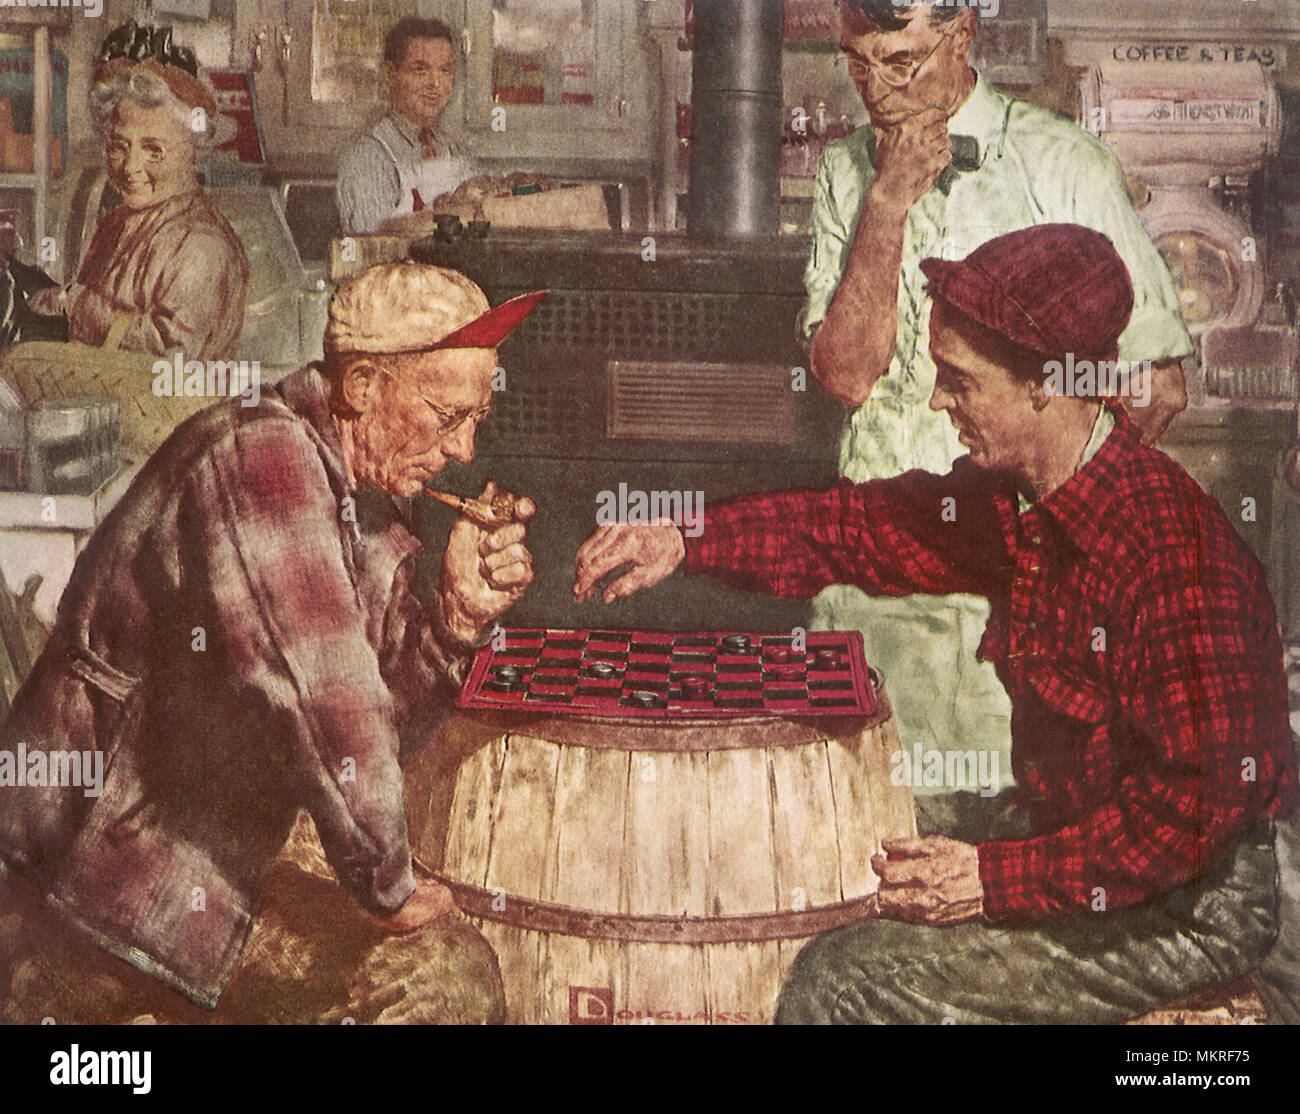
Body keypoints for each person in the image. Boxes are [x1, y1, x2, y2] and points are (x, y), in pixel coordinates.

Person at [573, 224, 1297, 1024]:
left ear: (1045, 387)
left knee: (847, 977)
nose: (937, 401)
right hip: (1069, 825)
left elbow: (1194, 810)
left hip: (1188, 907)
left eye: (960, 380)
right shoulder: (1016, 501)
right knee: (844, 831)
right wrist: (683, 537)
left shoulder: (1175, 558)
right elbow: (851, 529)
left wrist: (993, 880)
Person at [0, 261, 545, 1023]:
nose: (462, 450)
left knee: (447, 973)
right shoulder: (265, 458)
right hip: (93, 891)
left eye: (475, 422)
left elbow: (385, 730)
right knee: (444, 978)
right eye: (446, 415)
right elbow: (330, 705)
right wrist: (386, 886)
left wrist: (455, 618)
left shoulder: (366, 502)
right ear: (362, 388)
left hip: (202, 873)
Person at [801, 0, 1196, 797]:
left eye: (901, 61)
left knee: (1010, 849)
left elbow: (1155, 385)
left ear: (961, 33)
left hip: (1018, 593)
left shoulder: (1063, 163)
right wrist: (887, 203)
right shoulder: (846, 172)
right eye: (857, 63)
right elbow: (845, 376)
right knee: (861, 832)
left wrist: (1047, 506)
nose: (875, 89)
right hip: (875, 585)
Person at [28, 20, 249, 361]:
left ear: (194, 149)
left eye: (153, 150)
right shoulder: (116, 223)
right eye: (118, 146)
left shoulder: (203, 246)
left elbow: (168, 356)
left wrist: (77, 303)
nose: (130, 168)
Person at [337, 17, 477, 235]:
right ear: (390, 76)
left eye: (445, 71)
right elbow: (372, 251)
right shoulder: (370, 157)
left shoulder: (453, 149)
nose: (435, 84)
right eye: (421, 70)